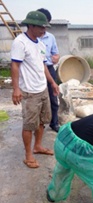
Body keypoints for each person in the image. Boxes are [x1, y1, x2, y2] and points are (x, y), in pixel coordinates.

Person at [11, 11, 59, 168]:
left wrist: (52, 83)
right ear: (30, 25)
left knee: (42, 121)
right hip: (29, 91)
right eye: (41, 27)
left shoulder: (41, 43)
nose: (44, 31)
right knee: (29, 124)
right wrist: (16, 89)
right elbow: (15, 66)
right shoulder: (20, 42)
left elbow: (43, 65)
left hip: (42, 89)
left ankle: (38, 146)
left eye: (45, 27)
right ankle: (28, 155)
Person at [37, 8, 60, 133]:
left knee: (53, 97)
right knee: (37, 99)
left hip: (49, 69)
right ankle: (39, 124)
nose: (44, 28)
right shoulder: (28, 39)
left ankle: (54, 122)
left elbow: (55, 54)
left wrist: (56, 57)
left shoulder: (50, 37)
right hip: (36, 71)